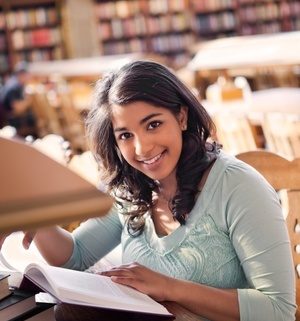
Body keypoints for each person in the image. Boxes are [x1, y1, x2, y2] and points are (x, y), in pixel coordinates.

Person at [0, 61, 296, 321]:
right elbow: (74, 257)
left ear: (181, 117)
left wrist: (169, 287)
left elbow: (278, 310)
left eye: (153, 124)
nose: (142, 148)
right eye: (126, 135)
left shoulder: (238, 186)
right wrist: (38, 219)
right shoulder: (132, 187)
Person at [0, 61, 36, 136]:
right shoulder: (14, 87)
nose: (29, 77)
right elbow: (17, 109)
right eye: (28, 75)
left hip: (8, 118)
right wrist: (30, 99)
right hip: (10, 120)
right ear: (22, 75)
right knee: (34, 118)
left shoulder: (14, 82)